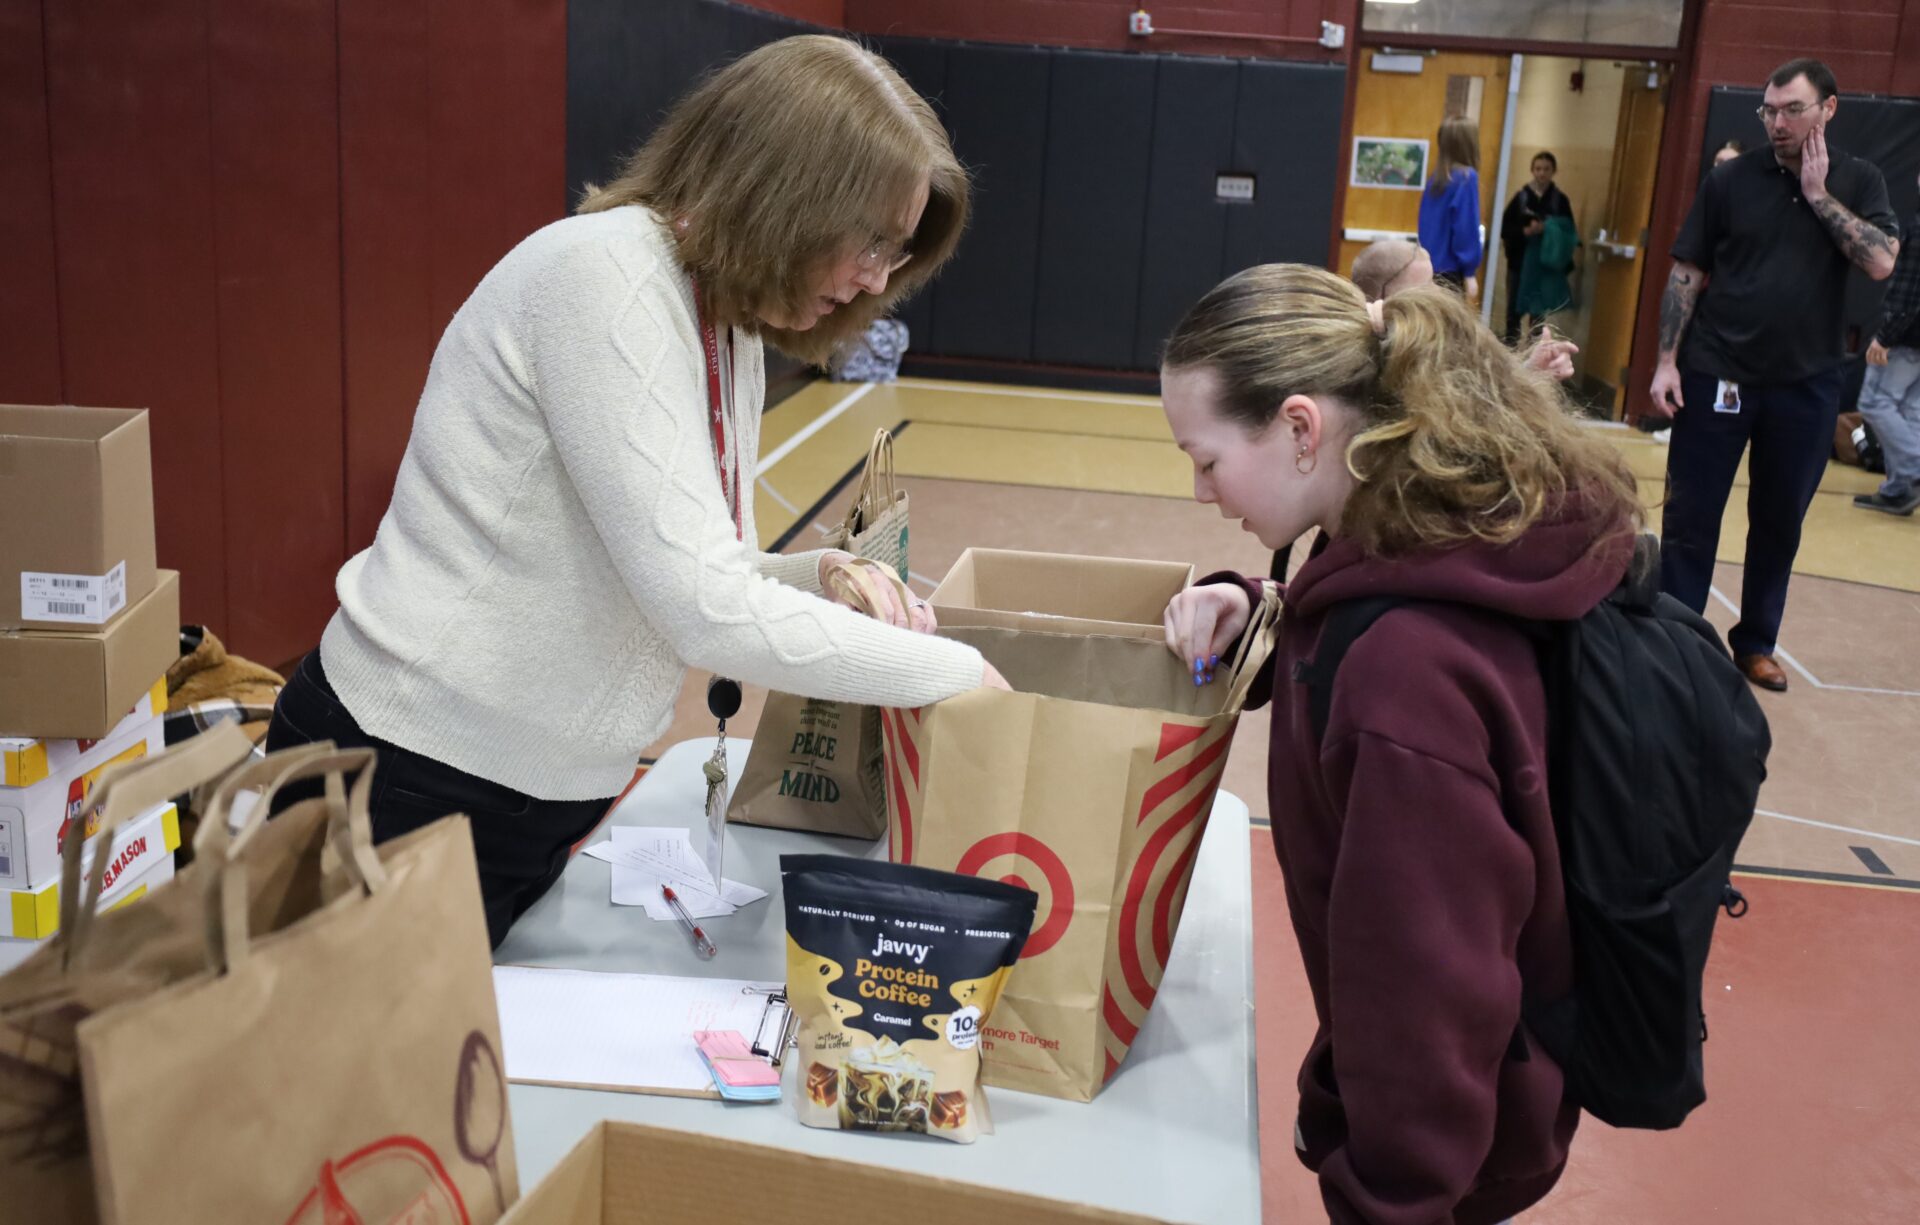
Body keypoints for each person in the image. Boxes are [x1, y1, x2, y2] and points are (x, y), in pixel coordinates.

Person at [265, 35, 1008, 948]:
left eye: (897, 253)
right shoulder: (604, 281)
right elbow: (703, 609)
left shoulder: (725, 316)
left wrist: (818, 576)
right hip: (409, 770)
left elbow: (701, 565)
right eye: (870, 241)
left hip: (524, 790)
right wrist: (960, 675)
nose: (876, 280)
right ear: (784, 194)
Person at [1158, 264, 1640, 1224]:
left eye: (1207, 458)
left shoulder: (1401, 679)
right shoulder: (1406, 531)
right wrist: (1257, 613)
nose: (1200, 490)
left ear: (1301, 428)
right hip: (1465, 1103)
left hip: (1438, 1150)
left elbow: (1427, 996)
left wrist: (1390, 1198)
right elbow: (1349, 623)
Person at [1648, 57, 1899, 691]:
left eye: (1792, 110)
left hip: (1807, 383)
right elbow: (1687, 274)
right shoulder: (1730, 182)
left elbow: (1880, 263)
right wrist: (1666, 362)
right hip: (1716, 372)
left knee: (1780, 519)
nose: (1777, 123)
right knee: (1691, 515)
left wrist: (1819, 196)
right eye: (1769, 110)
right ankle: (1675, 635)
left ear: (1828, 110)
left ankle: (1755, 643)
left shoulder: (1860, 180)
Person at [1854, 168, 1920, 516]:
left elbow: (1909, 292)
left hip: (1907, 337)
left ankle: (1913, 468)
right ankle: (1899, 490)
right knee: (1910, 408)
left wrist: (1885, 336)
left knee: (1875, 401)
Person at [1499, 152, 1580, 343]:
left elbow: (1569, 231)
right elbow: (1505, 227)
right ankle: (1510, 349)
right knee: (1513, 310)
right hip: (1518, 263)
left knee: (1538, 314)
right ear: (1532, 170)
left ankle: (1533, 355)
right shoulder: (1521, 198)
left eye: (1546, 169)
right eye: (1538, 169)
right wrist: (1524, 232)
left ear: (1553, 171)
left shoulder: (1559, 201)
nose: (1541, 174)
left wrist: (1547, 228)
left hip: (1543, 266)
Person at [1417, 116, 1485, 300]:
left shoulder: (1435, 180)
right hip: (1451, 274)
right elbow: (1465, 227)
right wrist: (1470, 272)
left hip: (1428, 270)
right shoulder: (1466, 177)